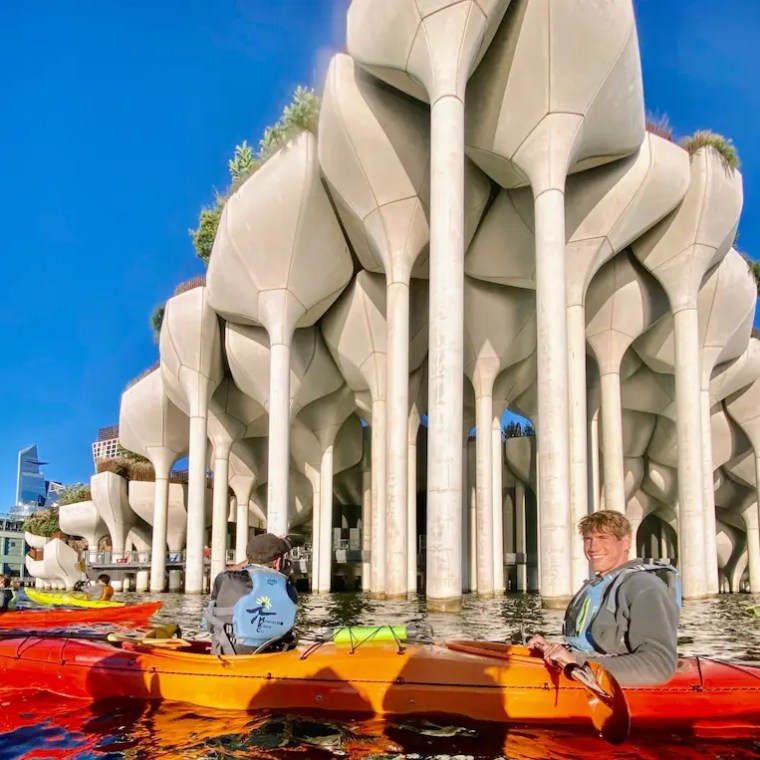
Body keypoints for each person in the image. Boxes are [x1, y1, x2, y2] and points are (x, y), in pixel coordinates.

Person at [528, 509, 679, 686]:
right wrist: (550, 649)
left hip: (615, 689)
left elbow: (658, 665)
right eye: (588, 539)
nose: (593, 547)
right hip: (586, 672)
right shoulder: (599, 584)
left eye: (602, 538)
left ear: (626, 542)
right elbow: (589, 649)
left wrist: (580, 664)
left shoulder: (644, 587)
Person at [203, 533, 297, 655]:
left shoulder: (224, 580)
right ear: (278, 562)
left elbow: (208, 624)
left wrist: (251, 563)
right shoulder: (288, 590)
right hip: (270, 658)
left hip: (226, 654)